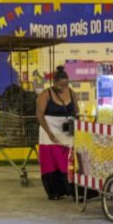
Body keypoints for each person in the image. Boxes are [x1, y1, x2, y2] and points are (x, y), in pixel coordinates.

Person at [36, 66, 77, 200]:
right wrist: (49, 133)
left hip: (67, 133)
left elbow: (76, 111)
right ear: (54, 83)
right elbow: (40, 115)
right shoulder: (45, 95)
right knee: (51, 162)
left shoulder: (72, 93)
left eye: (66, 85)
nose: (63, 88)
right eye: (60, 85)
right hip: (49, 132)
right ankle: (54, 192)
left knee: (67, 160)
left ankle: (70, 189)